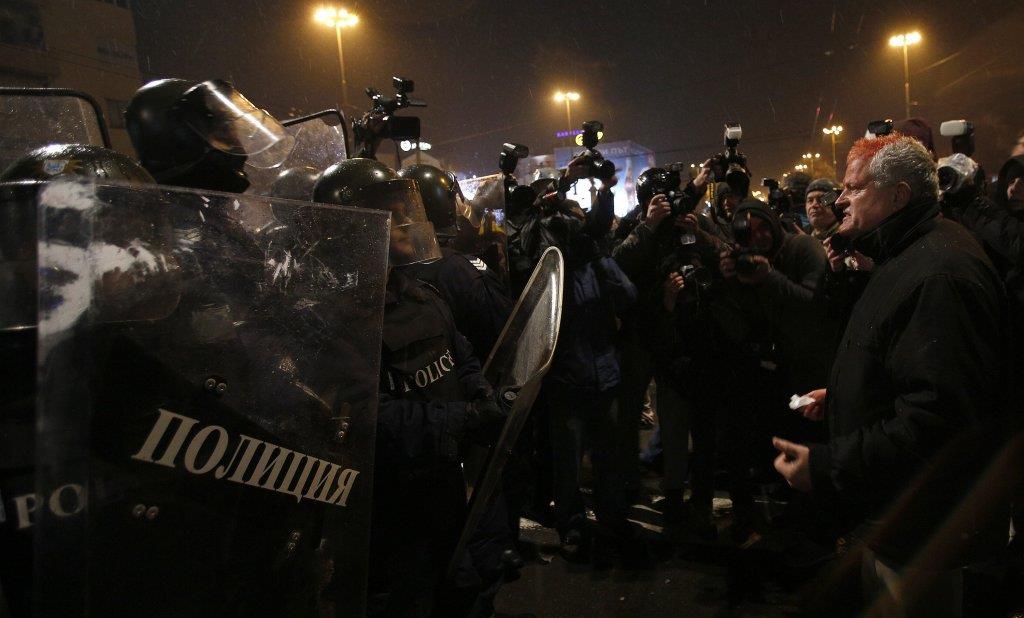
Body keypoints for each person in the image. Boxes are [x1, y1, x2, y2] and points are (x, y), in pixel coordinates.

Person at [774, 134, 1008, 616]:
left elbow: (937, 418)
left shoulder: (939, 271)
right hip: (895, 513)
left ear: (898, 195)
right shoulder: (904, 254)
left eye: (854, 188)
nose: (840, 200)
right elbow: (899, 366)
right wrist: (842, 396)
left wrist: (827, 465)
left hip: (924, 527)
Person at [313, 162, 508, 617]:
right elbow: (365, 416)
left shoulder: (420, 294)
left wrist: (477, 391)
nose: (406, 221)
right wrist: (463, 421)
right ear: (353, 228)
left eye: (407, 209)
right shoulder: (338, 322)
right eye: (392, 211)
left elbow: (458, 350)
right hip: (392, 517)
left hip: (442, 491)